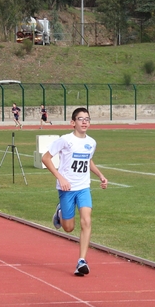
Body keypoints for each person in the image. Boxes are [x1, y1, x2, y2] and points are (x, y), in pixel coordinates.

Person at [42, 107, 108, 276]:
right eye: (80, 119)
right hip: (67, 188)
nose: (85, 121)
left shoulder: (91, 142)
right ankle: (60, 212)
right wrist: (60, 178)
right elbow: (46, 158)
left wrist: (100, 175)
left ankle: (81, 261)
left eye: (87, 119)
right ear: (73, 122)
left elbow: (89, 160)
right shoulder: (65, 140)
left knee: (86, 220)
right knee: (69, 228)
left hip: (83, 187)